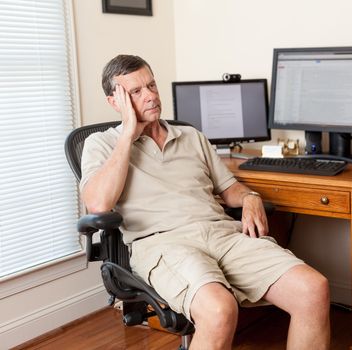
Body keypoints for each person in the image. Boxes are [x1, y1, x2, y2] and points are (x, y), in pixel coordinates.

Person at [80, 54, 330, 350]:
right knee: (219, 310)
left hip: (222, 234)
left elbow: (230, 188)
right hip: (164, 243)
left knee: (314, 290)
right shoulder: (102, 144)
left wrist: (250, 197)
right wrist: (128, 135)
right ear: (115, 102)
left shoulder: (191, 136)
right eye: (136, 92)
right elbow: (98, 203)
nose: (150, 96)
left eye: (151, 85)